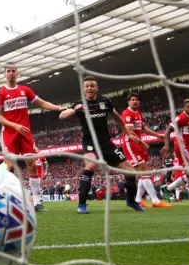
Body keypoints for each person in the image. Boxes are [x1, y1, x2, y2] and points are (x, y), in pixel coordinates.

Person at [59, 76, 145, 214]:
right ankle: (81, 205)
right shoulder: (79, 104)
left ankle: (131, 201)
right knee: (90, 166)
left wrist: (127, 133)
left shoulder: (105, 101)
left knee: (131, 172)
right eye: (86, 86)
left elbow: (117, 117)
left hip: (106, 143)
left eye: (92, 86)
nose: (89, 88)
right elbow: (62, 116)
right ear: (83, 89)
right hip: (90, 143)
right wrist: (75, 109)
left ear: (96, 88)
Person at [0, 64, 66, 212]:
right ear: (4, 74)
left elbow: (42, 103)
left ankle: (37, 202)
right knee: (9, 167)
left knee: (32, 165)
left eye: (13, 71)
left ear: (17, 73)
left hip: (25, 133)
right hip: (9, 133)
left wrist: (58, 108)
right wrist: (14, 126)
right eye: (8, 71)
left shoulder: (25, 90)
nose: (10, 73)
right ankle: (5, 202)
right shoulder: (1, 93)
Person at [121, 92, 171, 208]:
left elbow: (143, 128)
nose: (135, 101)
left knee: (146, 171)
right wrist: (143, 143)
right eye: (132, 99)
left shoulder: (138, 113)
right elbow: (130, 132)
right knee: (144, 171)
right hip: (131, 144)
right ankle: (155, 200)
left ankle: (138, 199)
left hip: (139, 144)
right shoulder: (126, 113)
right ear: (128, 102)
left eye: (137, 99)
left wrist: (158, 135)